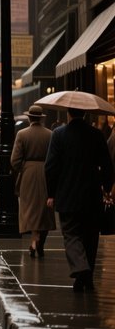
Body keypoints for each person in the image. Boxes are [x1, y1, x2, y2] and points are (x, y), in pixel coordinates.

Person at [44, 106, 114, 291]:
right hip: (91, 194)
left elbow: (50, 167)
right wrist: (106, 188)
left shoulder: (58, 135)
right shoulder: (96, 134)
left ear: (68, 113)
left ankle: (81, 268)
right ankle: (87, 278)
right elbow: (107, 164)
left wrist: (51, 193)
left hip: (67, 193)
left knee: (71, 234)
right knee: (91, 237)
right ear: (85, 113)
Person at [10, 104, 55, 257]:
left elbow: (14, 161)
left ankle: (34, 240)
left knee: (30, 209)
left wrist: (24, 167)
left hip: (28, 175)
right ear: (41, 118)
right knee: (44, 210)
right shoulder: (50, 134)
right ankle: (40, 241)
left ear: (29, 118)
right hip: (46, 173)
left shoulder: (22, 134)